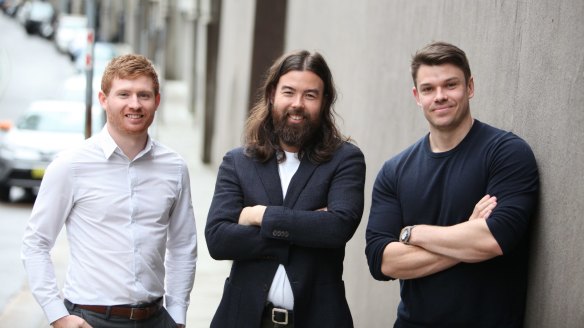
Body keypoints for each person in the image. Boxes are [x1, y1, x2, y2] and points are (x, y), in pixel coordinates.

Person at [365, 41, 539, 327]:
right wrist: (464, 235)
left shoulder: (506, 153)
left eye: (450, 85)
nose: (440, 96)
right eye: (428, 89)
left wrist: (412, 233)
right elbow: (383, 262)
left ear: (469, 87)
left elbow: (493, 240)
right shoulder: (394, 171)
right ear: (416, 96)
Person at [21, 54, 197, 328]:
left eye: (144, 95)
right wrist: (57, 315)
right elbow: (36, 243)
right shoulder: (70, 165)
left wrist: (177, 316)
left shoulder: (174, 168)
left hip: (156, 319)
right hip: (90, 320)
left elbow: (183, 245)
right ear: (104, 100)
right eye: (124, 94)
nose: (135, 104)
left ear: (157, 101)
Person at [205, 50, 366, 328]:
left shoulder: (345, 160)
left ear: (325, 101)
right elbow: (218, 240)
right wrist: (307, 229)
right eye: (289, 92)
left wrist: (259, 216)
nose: (297, 104)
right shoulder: (238, 162)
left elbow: (338, 227)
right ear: (272, 95)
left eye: (310, 95)